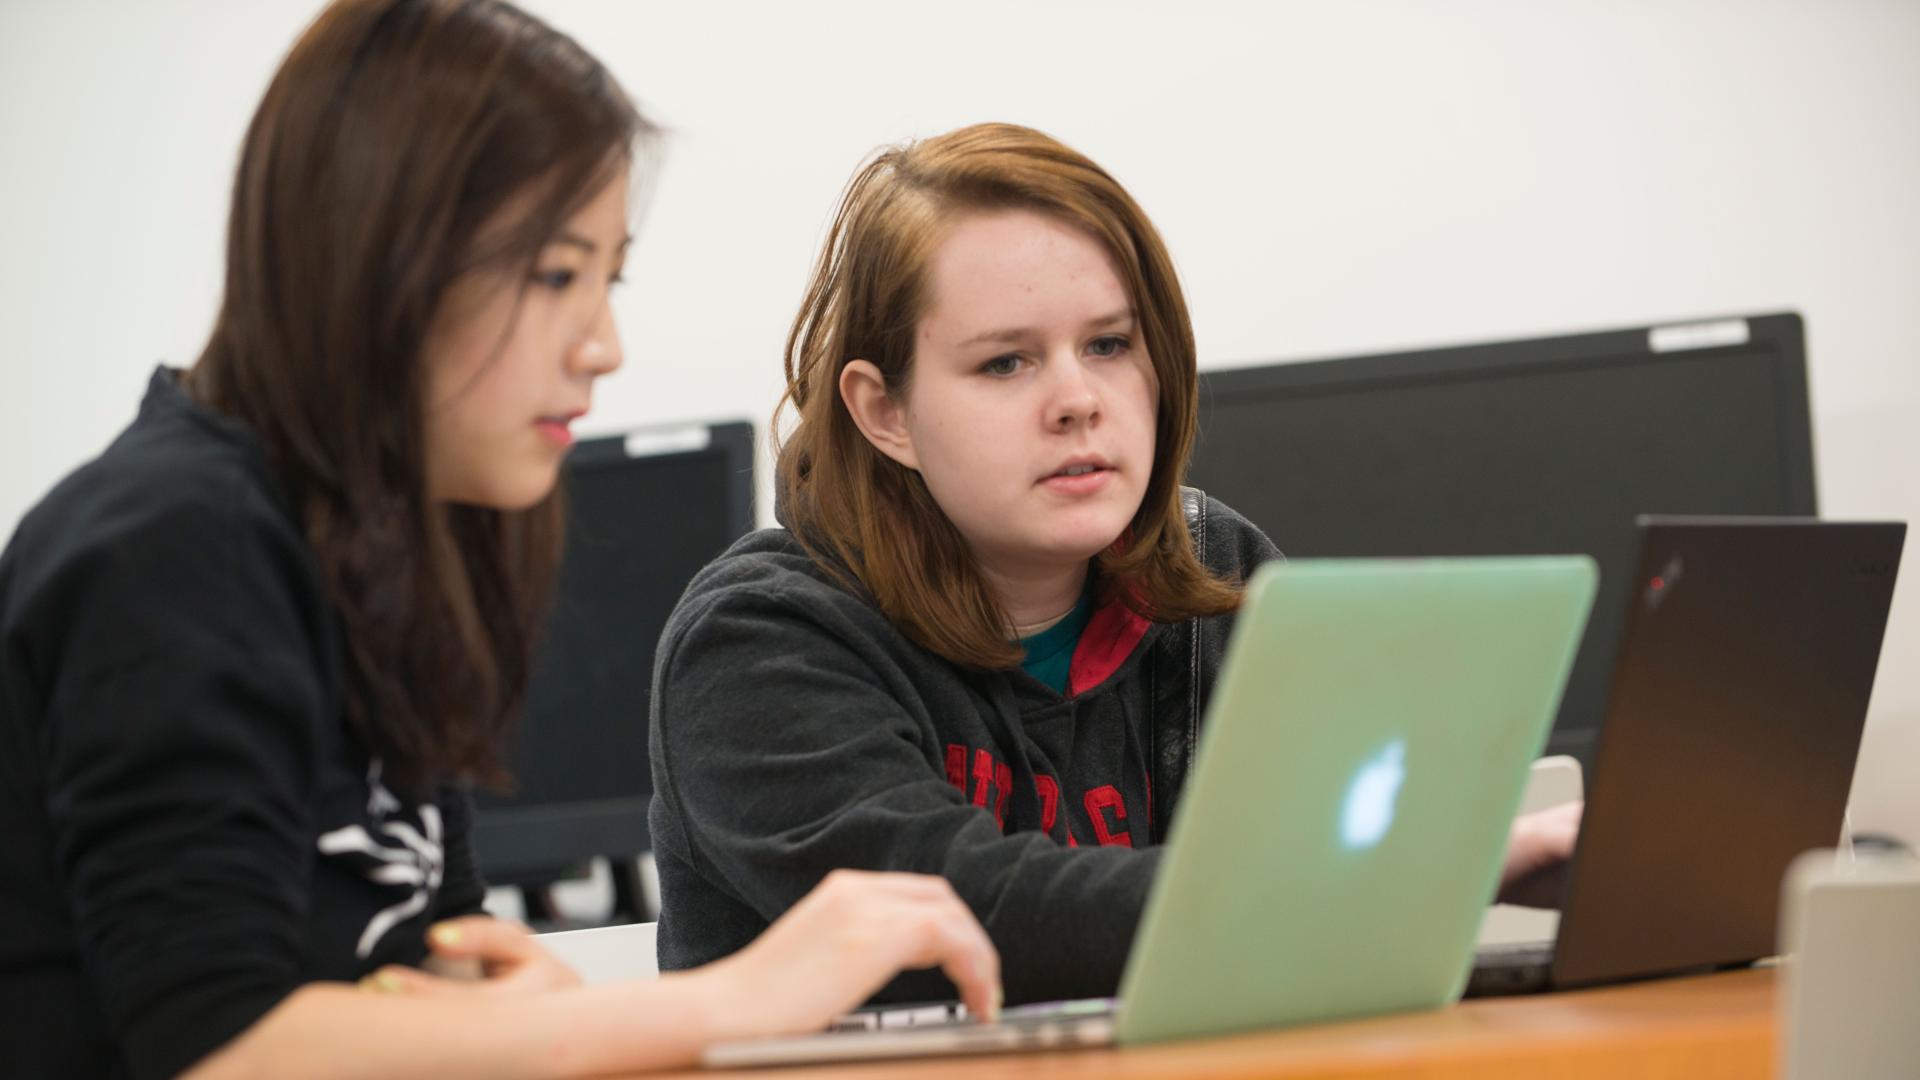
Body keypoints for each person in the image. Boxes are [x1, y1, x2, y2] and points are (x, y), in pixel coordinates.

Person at [0, 3, 998, 1077]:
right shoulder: (177, 549)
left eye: (606, 279)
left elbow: (431, 966)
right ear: (378, 255)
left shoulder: (374, 551)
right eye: (556, 275)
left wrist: (509, 1008)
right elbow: (227, 1044)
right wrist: (735, 999)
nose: (604, 345)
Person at [647, 121, 1582, 1007]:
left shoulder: (1221, 574)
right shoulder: (757, 641)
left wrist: (1472, 860)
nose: (1077, 401)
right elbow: (963, 915)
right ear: (885, 412)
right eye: (1005, 364)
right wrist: (1417, 871)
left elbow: (1345, 865)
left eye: (1109, 345)